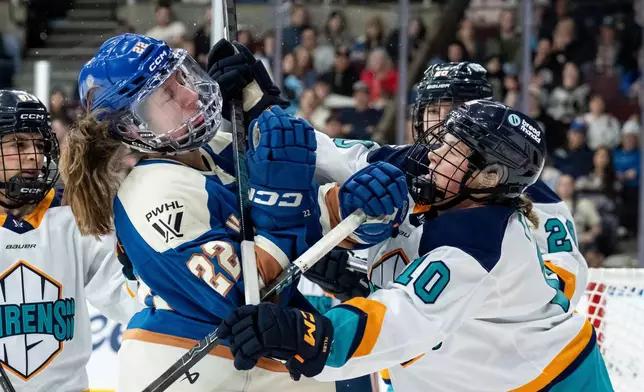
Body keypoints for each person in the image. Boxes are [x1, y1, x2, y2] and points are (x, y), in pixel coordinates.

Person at [59, 33, 405, 392]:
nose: (191, 95)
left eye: (181, 79)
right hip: (195, 366)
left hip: (254, 365)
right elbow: (247, 304)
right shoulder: (150, 195)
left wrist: (353, 209)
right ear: (131, 126)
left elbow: (302, 212)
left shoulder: (219, 149)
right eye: (167, 95)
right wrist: (281, 199)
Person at [218, 100, 614, 391]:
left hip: (550, 380)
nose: (434, 151)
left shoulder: (480, 244)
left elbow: (402, 320)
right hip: (463, 374)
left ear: (488, 177)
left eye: (453, 150)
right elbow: (345, 158)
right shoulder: (441, 177)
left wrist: (305, 336)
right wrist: (260, 108)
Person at [0, 89, 140, 390]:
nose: (34, 156)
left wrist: (142, 268)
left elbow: (129, 301)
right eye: (18, 143)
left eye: (39, 144)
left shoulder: (73, 217)